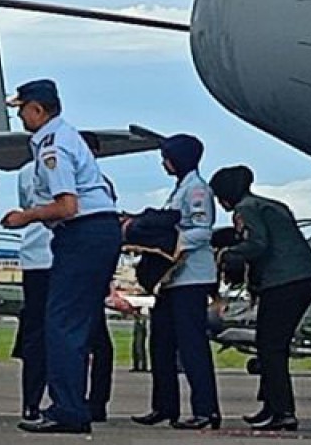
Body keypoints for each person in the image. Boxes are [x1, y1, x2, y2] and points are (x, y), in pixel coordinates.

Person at [1, 79, 121, 435]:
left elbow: (67, 205)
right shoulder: (66, 138)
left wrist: (26, 216)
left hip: (82, 234)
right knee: (78, 323)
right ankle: (75, 405)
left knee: (61, 322)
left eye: (22, 109)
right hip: (98, 233)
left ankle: (67, 408)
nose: (20, 116)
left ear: (37, 110)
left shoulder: (52, 146)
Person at [211, 165, 311, 432]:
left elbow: (257, 244)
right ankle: (271, 406)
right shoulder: (270, 205)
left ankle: (283, 411)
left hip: (283, 281)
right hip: (302, 278)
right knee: (272, 344)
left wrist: (225, 254)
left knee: (270, 346)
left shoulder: (246, 209)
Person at [11, 162, 114, 426]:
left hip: (38, 255)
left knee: (37, 334)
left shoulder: (26, 172)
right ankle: (88, 402)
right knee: (87, 333)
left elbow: (29, 205)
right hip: (71, 255)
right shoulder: (98, 180)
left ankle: (31, 403)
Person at [133, 133, 221, 430]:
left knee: (191, 345)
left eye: (167, 157)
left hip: (191, 277)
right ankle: (164, 405)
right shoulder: (180, 190)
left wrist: (171, 246)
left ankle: (206, 409)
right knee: (161, 343)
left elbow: (202, 230)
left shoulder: (197, 190)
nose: (163, 163)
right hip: (171, 279)